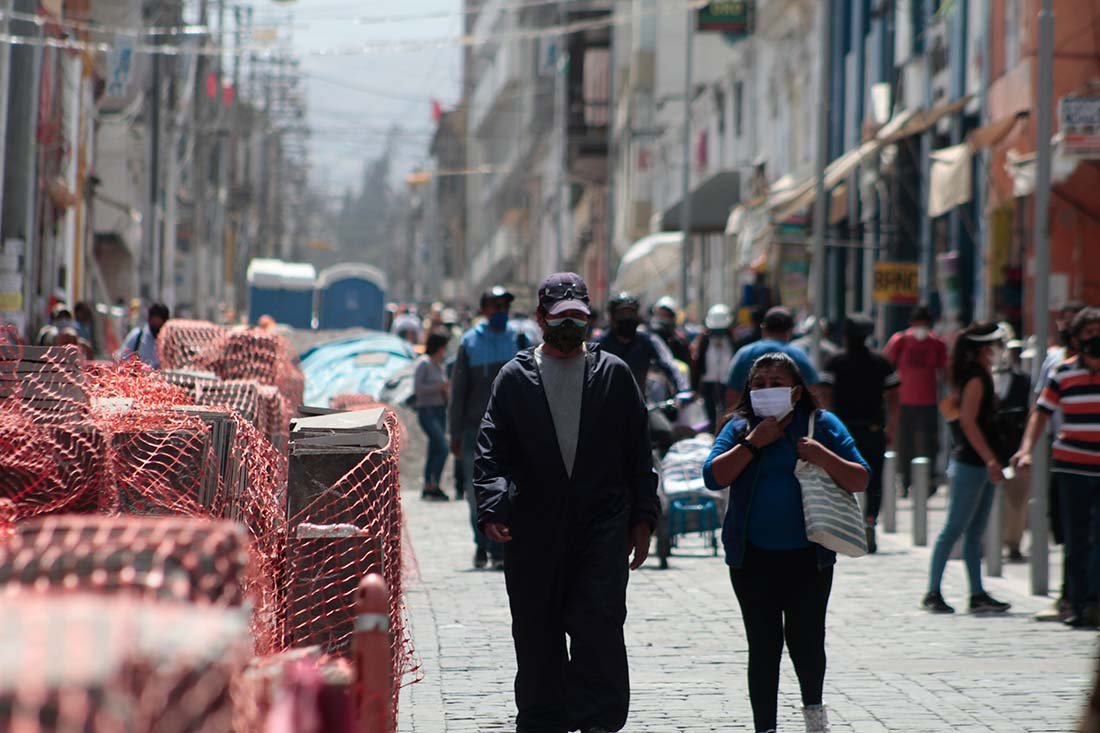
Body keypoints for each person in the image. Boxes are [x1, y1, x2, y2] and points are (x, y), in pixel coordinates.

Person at [474, 272, 658, 733]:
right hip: (535, 528)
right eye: (561, 318)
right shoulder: (515, 378)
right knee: (537, 633)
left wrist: (643, 519)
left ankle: (598, 720)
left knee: (599, 627)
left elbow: (639, 453)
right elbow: (491, 449)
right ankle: (543, 720)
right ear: (540, 318)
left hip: (602, 526)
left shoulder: (613, 374)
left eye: (579, 318)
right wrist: (494, 505)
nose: (570, 326)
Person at [703, 352, 869, 733]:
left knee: (807, 642)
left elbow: (860, 478)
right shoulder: (739, 426)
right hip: (751, 558)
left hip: (809, 557)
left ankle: (814, 715)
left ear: (795, 392)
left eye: (776, 383)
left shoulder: (822, 424)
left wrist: (821, 454)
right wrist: (753, 443)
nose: (766, 390)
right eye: (758, 384)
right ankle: (766, 728)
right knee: (763, 647)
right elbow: (714, 477)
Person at [1014, 307, 1100, 628]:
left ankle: (1094, 601)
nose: (1095, 339)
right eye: (1089, 334)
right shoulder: (1062, 373)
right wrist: (1026, 450)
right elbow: (1041, 412)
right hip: (1072, 467)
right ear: (1076, 339)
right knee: (1074, 539)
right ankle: (1077, 604)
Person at [922, 322, 1013, 616]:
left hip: (981, 463)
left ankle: (977, 593)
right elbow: (968, 422)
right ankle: (933, 592)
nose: (997, 350)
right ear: (981, 349)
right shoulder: (975, 378)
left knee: (975, 533)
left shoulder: (980, 375)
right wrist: (989, 459)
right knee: (954, 529)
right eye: (993, 345)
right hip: (971, 464)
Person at [449, 285, 530, 570]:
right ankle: (481, 543)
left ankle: (499, 548)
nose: (500, 312)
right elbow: (458, 392)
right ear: (484, 310)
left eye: (504, 307)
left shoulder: (520, 340)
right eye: (495, 307)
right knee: (476, 494)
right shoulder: (470, 343)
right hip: (475, 431)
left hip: (512, 431)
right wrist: (455, 432)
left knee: (508, 491)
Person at [821, 315, 900, 553]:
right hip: (873, 429)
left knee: (838, 478)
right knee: (874, 480)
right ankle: (869, 521)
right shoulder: (881, 362)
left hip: (842, 431)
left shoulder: (834, 361)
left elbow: (824, 395)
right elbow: (894, 398)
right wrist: (892, 427)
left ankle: (842, 523)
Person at [884, 305, 948, 495]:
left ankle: (928, 481)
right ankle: (905, 481)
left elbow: (944, 371)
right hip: (903, 400)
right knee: (904, 443)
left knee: (928, 443)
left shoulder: (937, 343)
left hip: (928, 401)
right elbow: (887, 364)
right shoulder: (900, 340)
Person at [724, 306, 821, 408]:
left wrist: (736, 419)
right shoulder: (798, 354)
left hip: (750, 418)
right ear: (791, 330)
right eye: (760, 384)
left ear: (763, 328)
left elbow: (732, 394)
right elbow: (813, 390)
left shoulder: (744, 353)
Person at [598, 292, 690, 398]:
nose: (627, 318)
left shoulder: (648, 340)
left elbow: (668, 364)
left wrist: (683, 389)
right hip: (606, 407)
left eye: (631, 313)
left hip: (639, 405)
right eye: (622, 314)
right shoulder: (600, 343)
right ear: (612, 317)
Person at [994, 329, 1032, 563]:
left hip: (1015, 447)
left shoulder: (1023, 382)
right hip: (989, 448)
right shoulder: (983, 381)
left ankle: (1013, 543)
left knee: (1017, 498)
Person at [414, 331, 452, 502]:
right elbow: (418, 389)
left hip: (439, 410)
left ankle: (428, 485)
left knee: (434, 449)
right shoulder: (424, 364)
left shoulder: (439, 366)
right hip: (427, 411)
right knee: (443, 448)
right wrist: (438, 387)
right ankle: (433, 484)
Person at [693, 303, 736, 431]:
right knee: (710, 410)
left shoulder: (732, 340)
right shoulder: (704, 340)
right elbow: (698, 362)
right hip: (708, 380)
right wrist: (695, 386)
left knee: (727, 410)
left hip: (727, 381)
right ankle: (712, 430)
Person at [117, 303, 169, 369]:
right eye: (154, 322)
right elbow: (121, 360)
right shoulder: (137, 337)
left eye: (160, 322)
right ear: (149, 319)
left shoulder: (169, 342)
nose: (157, 325)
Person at [649, 295, 693, 368]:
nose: (663, 319)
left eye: (666, 315)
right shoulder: (649, 337)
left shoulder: (679, 340)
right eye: (661, 315)